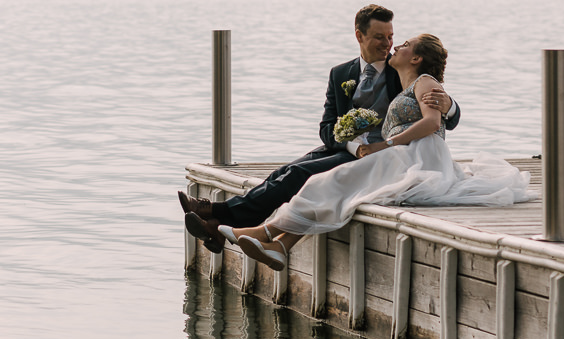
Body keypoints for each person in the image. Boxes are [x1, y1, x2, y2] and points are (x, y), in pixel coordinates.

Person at [223, 32, 531, 271]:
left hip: (416, 155)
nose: (397, 47)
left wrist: (386, 144)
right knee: (339, 186)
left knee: (334, 181)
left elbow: (432, 122)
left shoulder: (425, 82)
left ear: (417, 59)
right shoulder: (406, 81)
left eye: (406, 44)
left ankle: (266, 231)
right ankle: (280, 244)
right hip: (405, 155)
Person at [179, 4, 462, 251]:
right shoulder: (340, 73)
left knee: (300, 175)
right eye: (379, 37)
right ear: (359, 36)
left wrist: (449, 104)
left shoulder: (399, 69)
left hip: (385, 154)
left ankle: (217, 215)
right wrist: (352, 145)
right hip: (349, 148)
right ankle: (217, 226)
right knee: (285, 171)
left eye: (390, 37)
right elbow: (327, 126)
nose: (388, 44)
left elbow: (433, 108)